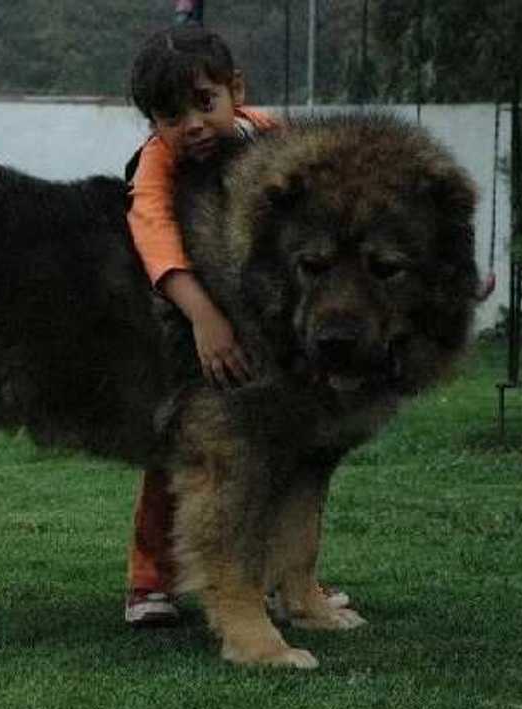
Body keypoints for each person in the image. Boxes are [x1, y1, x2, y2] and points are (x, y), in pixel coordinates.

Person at [123, 25, 348, 626]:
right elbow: (155, 240)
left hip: (264, 332)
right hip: (184, 327)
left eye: (204, 103)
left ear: (235, 91)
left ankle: (293, 583)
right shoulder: (154, 165)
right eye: (171, 115)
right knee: (175, 462)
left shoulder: (273, 137)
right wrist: (204, 318)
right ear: (152, 123)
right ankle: (149, 583)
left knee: (282, 461)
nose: (192, 125)